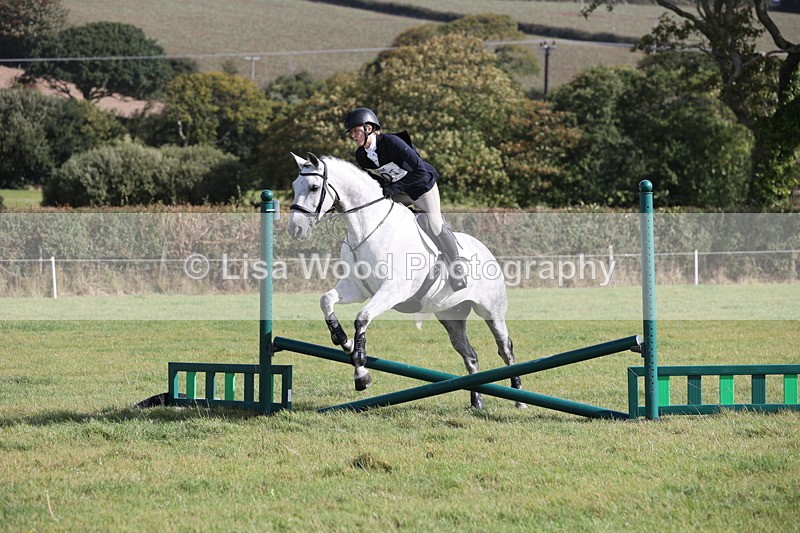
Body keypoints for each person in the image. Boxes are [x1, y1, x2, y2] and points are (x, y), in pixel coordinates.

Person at [343, 107, 467, 291]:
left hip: (422, 188)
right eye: (351, 132)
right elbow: (377, 179)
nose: (353, 136)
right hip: (400, 192)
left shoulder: (392, 142)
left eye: (356, 131)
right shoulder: (361, 156)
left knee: (435, 224)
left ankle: (457, 267)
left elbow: (420, 170)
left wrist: (393, 188)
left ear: (368, 128)